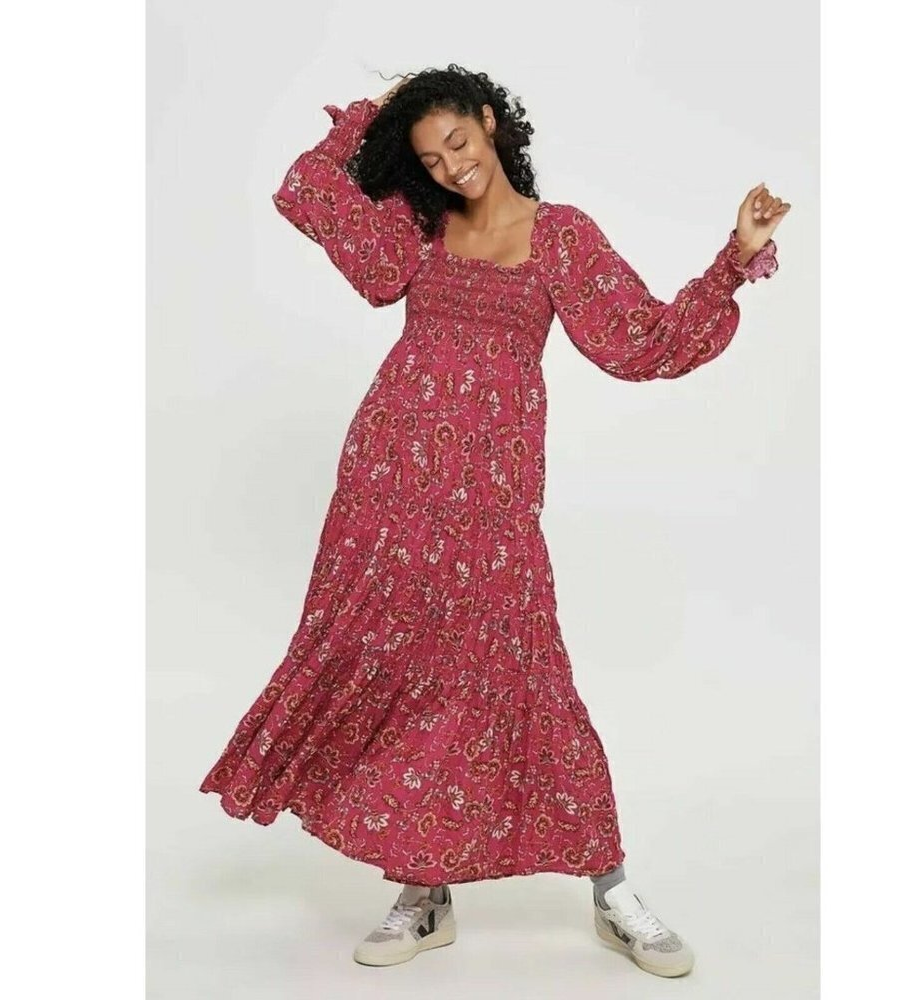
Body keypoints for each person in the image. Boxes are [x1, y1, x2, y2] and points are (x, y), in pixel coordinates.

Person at [198, 63, 789, 976]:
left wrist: (733, 260)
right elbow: (305, 191)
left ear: (489, 122)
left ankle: (611, 888)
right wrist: (360, 127)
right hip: (389, 484)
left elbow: (641, 343)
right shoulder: (415, 228)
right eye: (431, 158)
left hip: (491, 498)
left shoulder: (560, 237)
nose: (452, 167)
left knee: (526, 674)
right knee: (406, 671)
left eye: (459, 142)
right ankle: (424, 892)